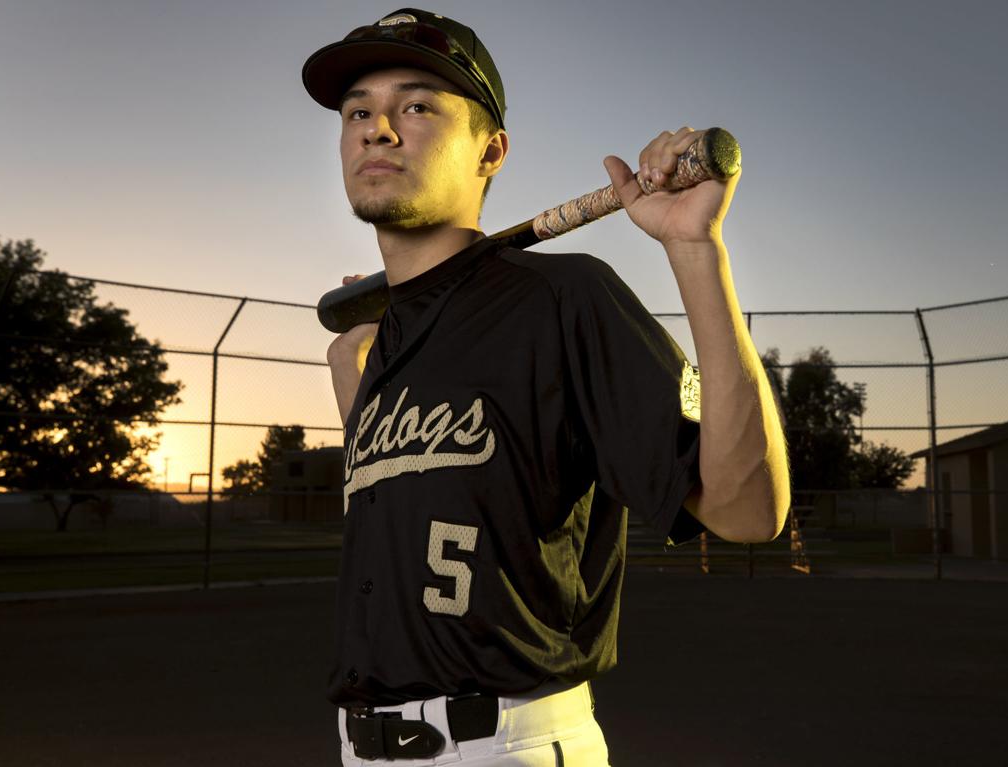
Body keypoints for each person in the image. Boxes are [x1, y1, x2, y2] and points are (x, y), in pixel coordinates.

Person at [303, 8, 790, 766]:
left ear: (491, 151)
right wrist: (357, 394)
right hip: (360, 747)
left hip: (502, 743)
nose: (378, 128)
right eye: (358, 110)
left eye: (418, 106)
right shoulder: (376, 345)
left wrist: (697, 251)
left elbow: (750, 509)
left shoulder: (562, 298)